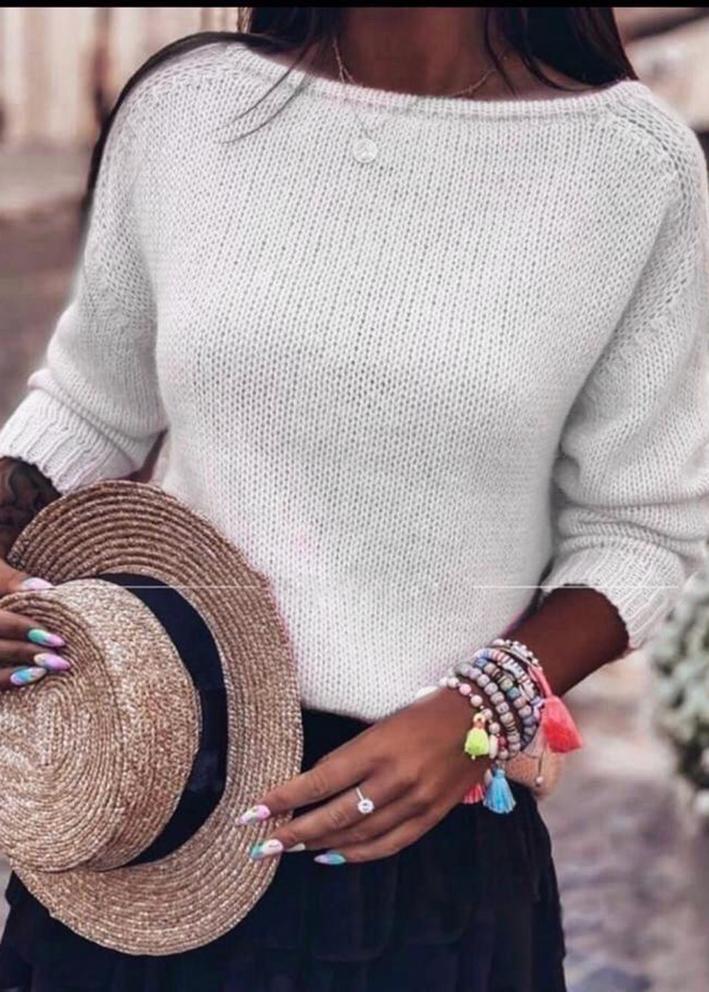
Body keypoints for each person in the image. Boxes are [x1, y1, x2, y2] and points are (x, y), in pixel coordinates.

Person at [0, 8, 708, 992]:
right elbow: (90, 402)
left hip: (419, 853)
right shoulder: (186, 109)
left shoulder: (633, 167)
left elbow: (639, 528)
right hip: (144, 806)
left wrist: (476, 712)